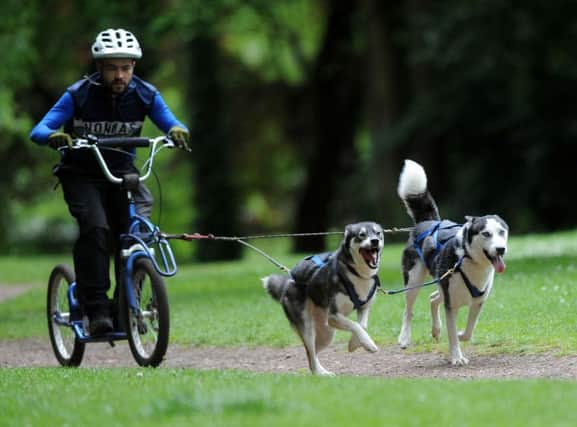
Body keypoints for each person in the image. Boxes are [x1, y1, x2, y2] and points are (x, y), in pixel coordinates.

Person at [30, 28, 190, 335]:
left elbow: (171, 121)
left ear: (134, 68)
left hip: (121, 175)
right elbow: (39, 129)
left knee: (131, 237)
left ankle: (124, 309)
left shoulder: (145, 94)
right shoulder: (78, 94)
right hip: (82, 176)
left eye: (126, 68)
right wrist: (54, 136)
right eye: (113, 68)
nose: (120, 75)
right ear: (99, 67)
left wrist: (176, 130)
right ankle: (97, 308)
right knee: (97, 229)